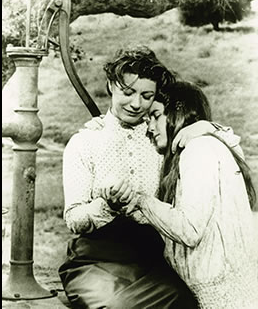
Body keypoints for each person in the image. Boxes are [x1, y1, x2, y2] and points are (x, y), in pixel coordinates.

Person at [59, 46, 241, 308]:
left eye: (147, 96)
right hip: (95, 260)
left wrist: (207, 127)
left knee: (185, 301)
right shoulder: (85, 142)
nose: (136, 104)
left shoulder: (162, 137)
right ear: (111, 85)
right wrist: (107, 205)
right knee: (117, 305)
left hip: (153, 258)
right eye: (128, 92)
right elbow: (74, 220)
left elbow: (230, 147)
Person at [106, 81, 258, 308]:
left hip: (224, 299)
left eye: (155, 115)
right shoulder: (207, 145)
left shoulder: (198, 150)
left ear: (178, 114)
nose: (149, 127)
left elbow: (189, 229)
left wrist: (142, 200)